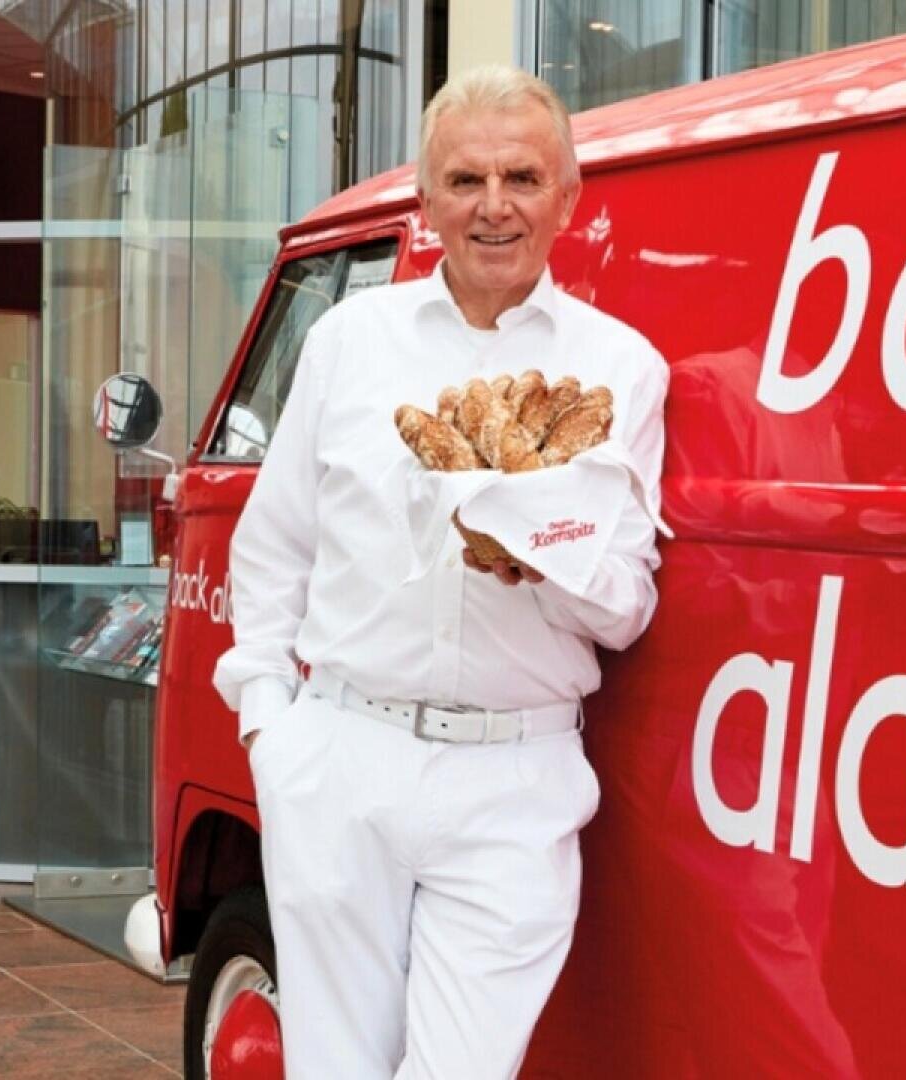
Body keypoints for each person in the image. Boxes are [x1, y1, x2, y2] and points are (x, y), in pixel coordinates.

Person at [212, 64, 668, 1079]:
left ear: (569, 198)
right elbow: (273, 544)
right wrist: (271, 729)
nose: (494, 206)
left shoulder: (622, 368)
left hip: (517, 776)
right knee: (335, 1064)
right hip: (343, 752)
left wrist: (537, 540)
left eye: (522, 177)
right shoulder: (347, 343)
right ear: (424, 201)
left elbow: (629, 607)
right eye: (465, 181)